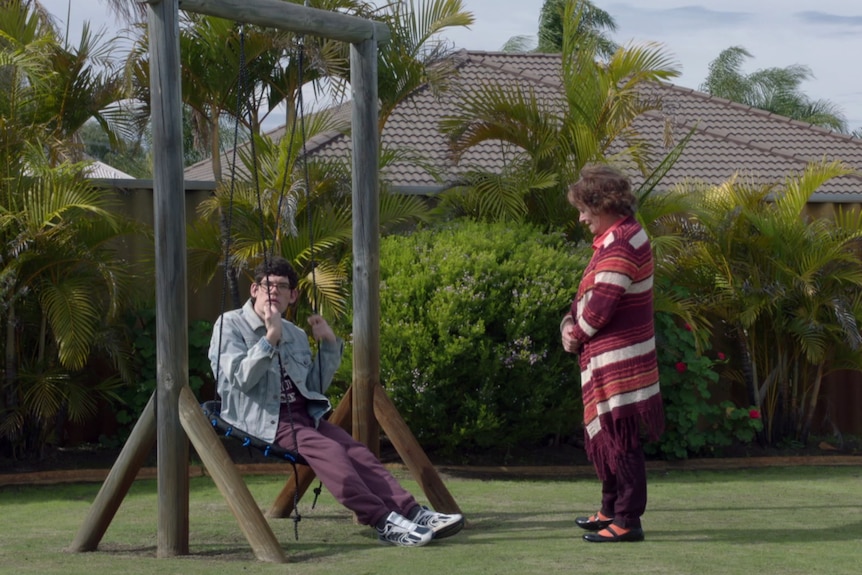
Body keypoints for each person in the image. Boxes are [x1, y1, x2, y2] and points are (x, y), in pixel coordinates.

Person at [208, 256, 464, 547]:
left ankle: (413, 512)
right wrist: (270, 338)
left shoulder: (296, 334)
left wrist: (329, 346)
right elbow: (239, 378)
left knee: (358, 452)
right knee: (332, 453)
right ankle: (383, 520)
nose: (273, 292)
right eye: (267, 285)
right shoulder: (230, 325)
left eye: (282, 286)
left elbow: (313, 388)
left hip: (304, 416)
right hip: (263, 418)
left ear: (292, 295)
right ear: (254, 290)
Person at [560, 164, 664, 543]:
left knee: (621, 440)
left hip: (619, 362)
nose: (581, 217)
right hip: (607, 359)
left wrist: (575, 334)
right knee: (608, 437)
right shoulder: (617, 237)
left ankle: (628, 520)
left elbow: (601, 305)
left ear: (602, 204)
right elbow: (586, 298)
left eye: (584, 209)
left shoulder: (623, 241)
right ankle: (610, 509)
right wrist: (569, 327)